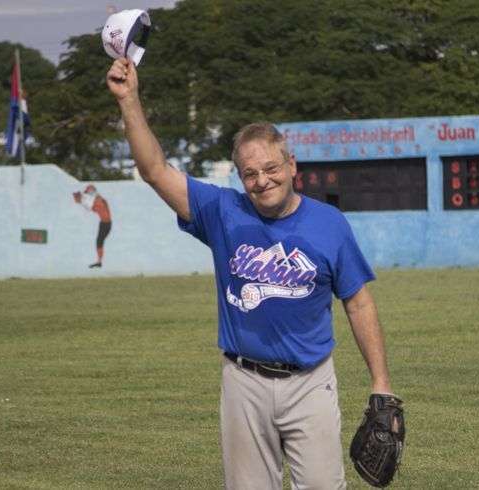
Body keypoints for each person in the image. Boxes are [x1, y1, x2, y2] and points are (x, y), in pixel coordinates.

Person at [107, 58, 395, 489]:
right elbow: (154, 170)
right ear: (240, 177)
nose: (262, 180)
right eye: (250, 174)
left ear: (292, 165)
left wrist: (381, 382)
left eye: (271, 168)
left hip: (310, 382)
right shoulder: (222, 211)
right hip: (244, 382)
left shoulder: (329, 224)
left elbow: (358, 302)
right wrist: (129, 99)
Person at [73, 185, 112, 268]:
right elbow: (97, 204)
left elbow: (93, 195)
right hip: (104, 223)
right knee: (99, 242)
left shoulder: (94, 201)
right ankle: (99, 262)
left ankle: (99, 262)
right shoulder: (89, 202)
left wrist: (89, 192)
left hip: (106, 223)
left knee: (99, 242)